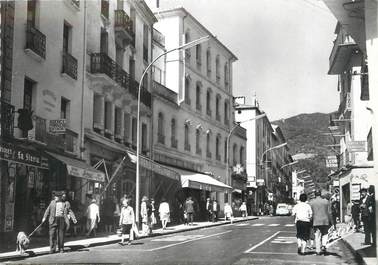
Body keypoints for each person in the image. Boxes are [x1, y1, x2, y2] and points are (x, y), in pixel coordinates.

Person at [309, 190, 332, 255]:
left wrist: (310, 220)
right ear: (320, 194)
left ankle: (318, 250)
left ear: (315, 194)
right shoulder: (326, 202)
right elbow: (329, 212)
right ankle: (324, 244)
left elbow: (310, 213)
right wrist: (331, 221)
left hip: (316, 221)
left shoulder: (311, 202)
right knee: (325, 234)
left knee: (317, 236)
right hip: (325, 220)